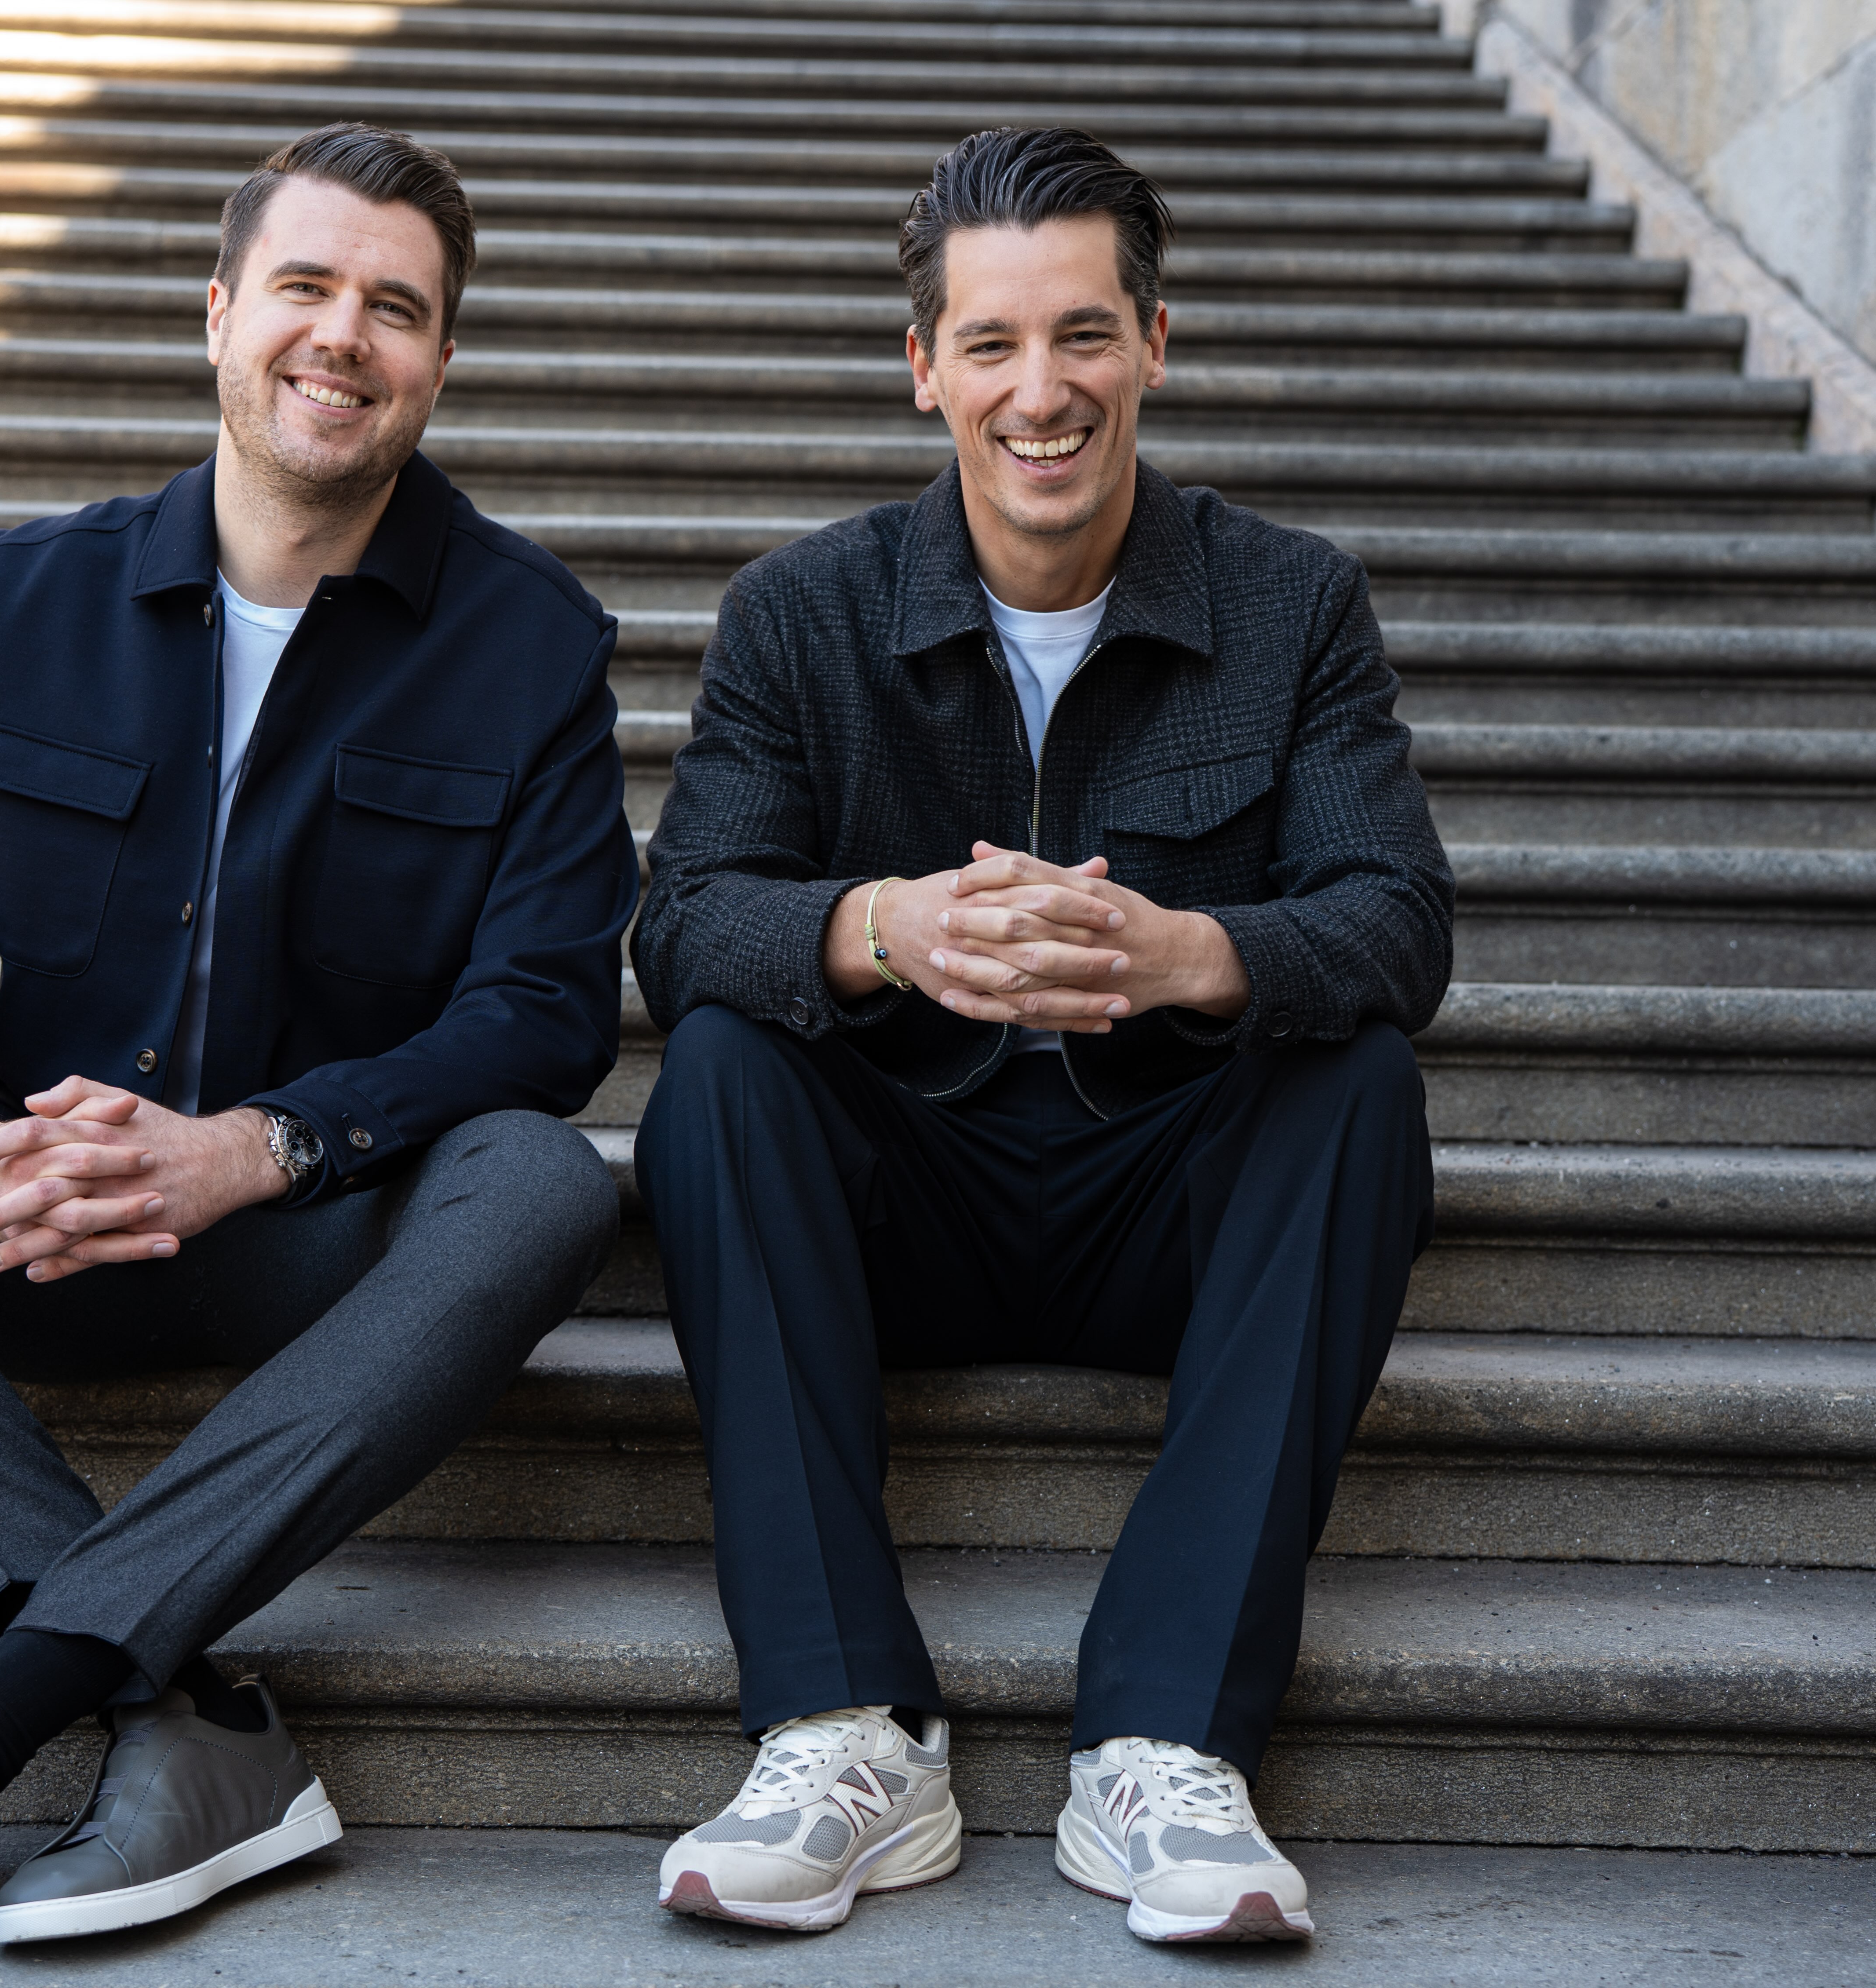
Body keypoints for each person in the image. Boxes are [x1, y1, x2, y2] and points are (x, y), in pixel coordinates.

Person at [0, 123, 637, 1983]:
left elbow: (546, 1011)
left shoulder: (532, 642)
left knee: (542, 1182)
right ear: (221, 311)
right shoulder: (36, 595)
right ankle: (186, 1707)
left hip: (311, 1253)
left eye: (396, 308)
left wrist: (256, 1146)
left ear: (440, 359)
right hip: (27, 1221)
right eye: (305, 287)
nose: (343, 337)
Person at [629, 126, 1453, 1947]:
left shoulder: (1293, 602)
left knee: (1359, 1075)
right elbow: (680, 921)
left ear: (1154, 341)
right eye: (991, 342)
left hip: (1170, 1213)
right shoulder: (799, 612)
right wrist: (883, 927)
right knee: (721, 1070)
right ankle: (845, 1726)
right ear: (924, 367)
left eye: (1083, 334)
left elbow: (1399, 920)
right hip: (896, 1213)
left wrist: (1189, 955)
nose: (1041, 390)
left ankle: (1165, 1740)